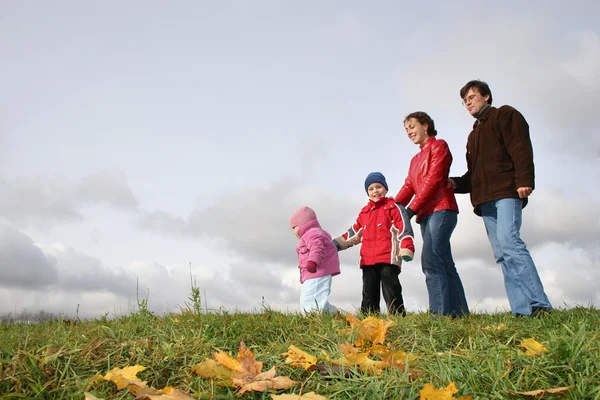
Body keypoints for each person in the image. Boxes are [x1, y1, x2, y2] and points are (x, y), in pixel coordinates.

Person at [449, 79, 552, 317]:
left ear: (486, 96)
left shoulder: (505, 115)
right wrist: (454, 184)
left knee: (510, 242)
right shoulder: (472, 136)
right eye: (464, 101)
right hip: (485, 200)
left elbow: (520, 147)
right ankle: (522, 311)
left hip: (507, 191)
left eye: (471, 97)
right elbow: (473, 175)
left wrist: (525, 180)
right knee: (502, 255)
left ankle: (539, 304)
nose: (468, 103)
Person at [395, 111, 469, 318]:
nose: (409, 131)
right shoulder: (415, 159)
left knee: (430, 258)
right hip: (425, 214)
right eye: (406, 129)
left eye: (412, 126)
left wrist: (410, 210)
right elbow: (409, 185)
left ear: (425, 125)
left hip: (442, 209)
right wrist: (391, 207)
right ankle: (459, 314)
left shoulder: (439, 146)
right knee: (444, 261)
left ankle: (438, 314)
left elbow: (433, 179)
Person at [334, 172, 415, 315]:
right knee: (369, 290)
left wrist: (406, 247)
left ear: (385, 189)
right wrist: (336, 244)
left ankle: (397, 317)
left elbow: (404, 228)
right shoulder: (365, 212)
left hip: (388, 257)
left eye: (379, 187)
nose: (375, 191)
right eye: (371, 189)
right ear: (367, 192)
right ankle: (368, 318)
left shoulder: (394, 207)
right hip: (368, 259)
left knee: (390, 288)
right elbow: (354, 232)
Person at [290, 206, 340, 314]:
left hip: (317, 272)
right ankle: (332, 313)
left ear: (302, 224)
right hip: (313, 274)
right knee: (314, 298)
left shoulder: (312, 233)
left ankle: (312, 319)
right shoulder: (311, 234)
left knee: (309, 299)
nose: (294, 231)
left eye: (294, 227)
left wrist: (313, 262)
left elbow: (317, 247)